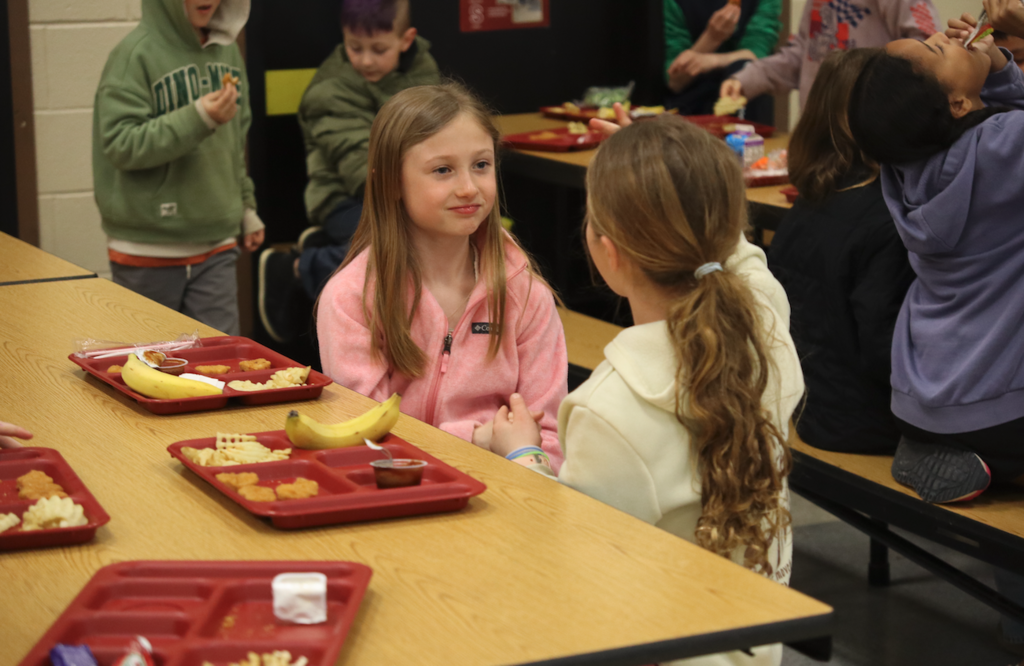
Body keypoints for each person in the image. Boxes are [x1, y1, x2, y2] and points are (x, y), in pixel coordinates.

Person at [483, 116, 804, 666]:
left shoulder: (610, 409)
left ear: (610, 254)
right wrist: (678, 175)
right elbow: (738, 254)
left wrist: (522, 454)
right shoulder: (766, 324)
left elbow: (574, 560)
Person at [316, 83, 568, 470]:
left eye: (481, 165)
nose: (468, 188)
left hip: (508, 498)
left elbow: (548, 439)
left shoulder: (526, 294)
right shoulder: (351, 298)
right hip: (400, 502)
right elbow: (368, 439)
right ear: (391, 182)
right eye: (443, 170)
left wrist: (520, 457)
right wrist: (478, 439)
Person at [847, 19, 1024, 506]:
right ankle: (998, 462)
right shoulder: (1003, 146)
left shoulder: (906, 165)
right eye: (937, 48)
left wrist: (998, 65)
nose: (948, 36)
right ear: (957, 103)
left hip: (921, 394)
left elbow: (997, 127)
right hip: (995, 405)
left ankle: (937, 447)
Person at [258, 0, 440, 344]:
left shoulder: (421, 66)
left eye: (379, 49)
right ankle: (300, 268)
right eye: (355, 47)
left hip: (411, 186)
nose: (366, 60)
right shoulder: (330, 91)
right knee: (400, 240)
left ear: (406, 39)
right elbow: (361, 169)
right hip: (345, 194)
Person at [768, 48, 914, 454]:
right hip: (859, 421)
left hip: (804, 401)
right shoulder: (888, 220)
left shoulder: (813, 195)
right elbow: (885, 353)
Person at [93, 0, 263, 336]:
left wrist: (244, 205)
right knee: (149, 370)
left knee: (219, 371)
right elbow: (120, 144)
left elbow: (234, 140)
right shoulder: (133, 55)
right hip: (146, 250)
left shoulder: (228, 51)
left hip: (217, 243)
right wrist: (197, 118)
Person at [719, 0, 939, 112]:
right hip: (819, 132)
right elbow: (803, 55)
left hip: (870, 135)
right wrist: (746, 79)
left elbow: (926, 48)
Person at [664, 0, 782, 123]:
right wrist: (711, 38)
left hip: (746, 106)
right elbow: (674, 81)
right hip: (689, 105)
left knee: (744, 68)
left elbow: (758, 55)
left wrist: (712, 60)